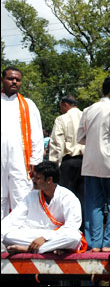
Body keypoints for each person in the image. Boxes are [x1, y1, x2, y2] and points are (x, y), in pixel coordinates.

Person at [77, 76, 110, 252]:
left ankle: (94, 243)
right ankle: (109, 243)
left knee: (94, 204)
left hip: (90, 163)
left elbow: (80, 138)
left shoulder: (88, 109)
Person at [2, 161, 85, 254]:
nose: (33, 180)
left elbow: (71, 227)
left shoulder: (68, 198)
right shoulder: (31, 196)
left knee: (73, 237)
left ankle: (31, 249)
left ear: (49, 180)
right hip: (34, 235)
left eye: (37, 178)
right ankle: (48, 249)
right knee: (7, 236)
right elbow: (14, 218)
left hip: (56, 236)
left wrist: (45, 238)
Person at [1, 66, 44, 219]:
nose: (14, 82)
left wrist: (35, 161)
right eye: (10, 78)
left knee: (21, 196)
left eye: (17, 80)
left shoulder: (28, 105)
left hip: (20, 160)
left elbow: (37, 135)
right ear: (2, 80)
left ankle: (19, 236)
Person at [49, 95, 85, 220]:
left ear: (65, 105)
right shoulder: (86, 117)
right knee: (83, 198)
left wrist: (53, 166)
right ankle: (82, 229)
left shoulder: (61, 119)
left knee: (65, 197)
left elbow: (57, 145)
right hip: (86, 163)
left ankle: (66, 226)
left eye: (61, 107)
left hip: (68, 162)